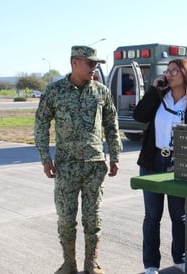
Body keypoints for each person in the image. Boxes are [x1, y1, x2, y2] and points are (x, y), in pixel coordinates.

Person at [34, 45, 122, 274]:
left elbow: (112, 126)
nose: (95, 68)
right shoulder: (54, 91)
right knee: (65, 220)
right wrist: (45, 158)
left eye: (96, 64)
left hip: (94, 166)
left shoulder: (101, 92)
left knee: (93, 220)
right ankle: (69, 264)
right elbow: (41, 124)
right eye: (90, 63)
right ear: (75, 62)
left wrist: (115, 156)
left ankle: (91, 263)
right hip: (66, 167)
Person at [133, 58, 187, 274]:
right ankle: (150, 265)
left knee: (179, 215)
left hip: (179, 165)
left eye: (174, 71)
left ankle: (180, 258)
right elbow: (139, 115)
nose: (169, 74)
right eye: (167, 71)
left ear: (186, 74)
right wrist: (153, 89)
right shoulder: (159, 97)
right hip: (153, 161)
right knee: (152, 216)